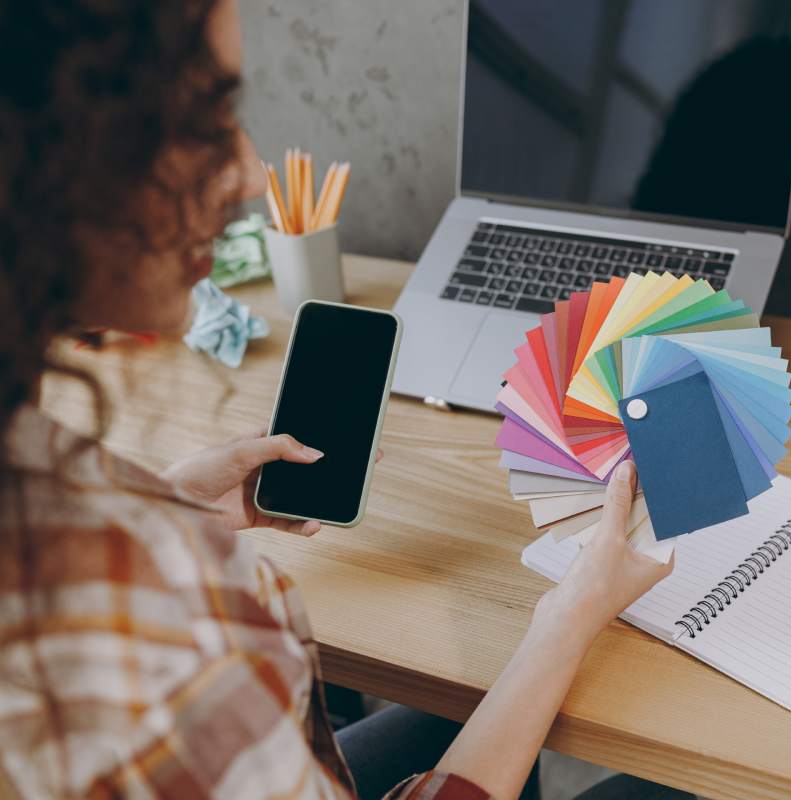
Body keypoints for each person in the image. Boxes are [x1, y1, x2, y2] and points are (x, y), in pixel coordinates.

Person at [0, 2, 686, 798]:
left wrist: (164, 501)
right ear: (42, 154)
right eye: (203, 116)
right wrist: (569, 616)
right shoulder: (147, 642)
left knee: (461, 708)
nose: (251, 174)